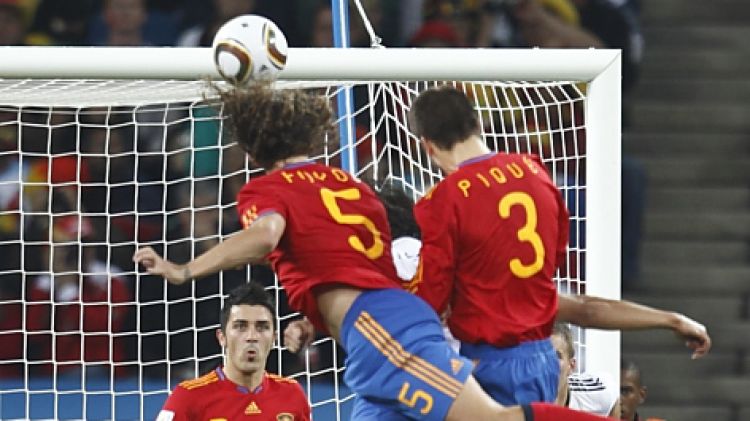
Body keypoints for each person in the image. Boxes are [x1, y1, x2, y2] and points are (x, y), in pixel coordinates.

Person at [134, 82, 612, 421]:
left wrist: (185, 269)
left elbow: (267, 235)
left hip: (383, 330)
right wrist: (308, 319)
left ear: (255, 152)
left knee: (490, 419)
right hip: (380, 330)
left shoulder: (268, 189)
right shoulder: (350, 185)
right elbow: (347, 262)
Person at [402, 85, 710, 406]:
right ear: (478, 123)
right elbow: (558, 260)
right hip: (543, 360)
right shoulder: (536, 171)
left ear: (427, 145)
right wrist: (671, 318)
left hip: (489, 366)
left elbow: (429, 300)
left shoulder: (443, 200)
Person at [157, 282, 311, 421]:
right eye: (240, 326)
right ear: (222, 337)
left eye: (262, 327)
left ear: (273, 338)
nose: (251, 337)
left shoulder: (292, 394)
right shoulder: (188, 396)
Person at [551, 323, 619, 417]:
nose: (546, 363)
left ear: (571, 366)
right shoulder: (524, 400)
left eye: (556, 356)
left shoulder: (597, 393)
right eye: (539, 356)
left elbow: (612, 394)